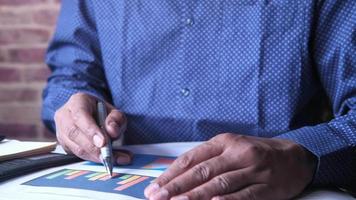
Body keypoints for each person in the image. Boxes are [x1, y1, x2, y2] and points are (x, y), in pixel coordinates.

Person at [42, 1, 356, 200]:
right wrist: (72, 106)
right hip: (122, 179)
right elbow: (71, 76)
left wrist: (301, 157)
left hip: (270, 189)